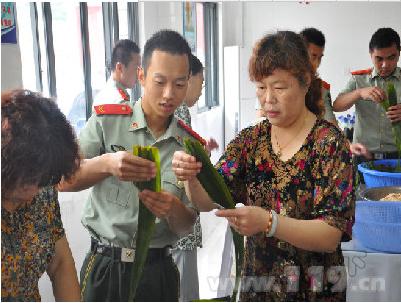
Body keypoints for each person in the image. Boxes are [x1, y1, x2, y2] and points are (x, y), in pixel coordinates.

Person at [173, 31, 355, 301]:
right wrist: (190, 177)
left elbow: (330, 234)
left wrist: (269, 223)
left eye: (279, 87)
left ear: (305, 84)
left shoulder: (329, 143)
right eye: (260, 87)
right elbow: (206, 201)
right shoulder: (251, 141)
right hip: (260, 287)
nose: (268, 98)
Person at [59, 29, 201, 302]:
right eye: (160, 82)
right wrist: (107, 164)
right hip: (105, 266)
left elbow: (187, 227)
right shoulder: (107, 122)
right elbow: (63, 180)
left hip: (157, 271)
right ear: (141, 77)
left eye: (180, 85)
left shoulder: (189, 145)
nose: (169, 94)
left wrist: (174, 210)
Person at [1, 89, 81, 301]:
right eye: (27, 179)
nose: (34, 191)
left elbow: (60, 263)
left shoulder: (42, 193)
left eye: (42, 180)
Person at [333, 27, 401, 164]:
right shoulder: (358, 79)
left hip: (397, 159)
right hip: (364, 157)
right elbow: (337, 105)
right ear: (370, 54)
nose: (385, 65)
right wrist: (359, 93)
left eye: (391, 57)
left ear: (399, 52)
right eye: (379, 59)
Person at [93, 39, 141, 106]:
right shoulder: (119, 102)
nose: (139, 74)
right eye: (136, 68)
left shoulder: (106, 93)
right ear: (119, 68)